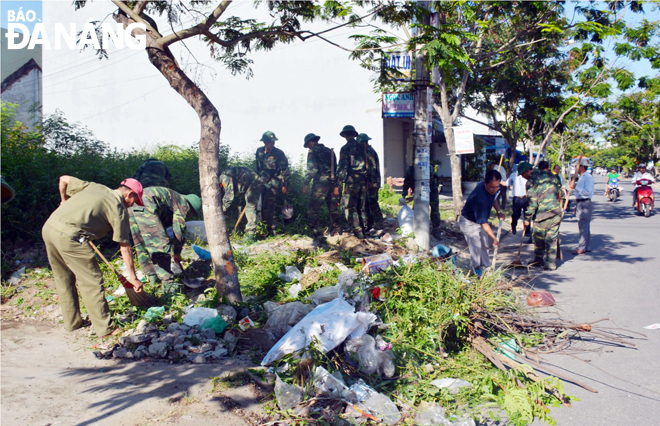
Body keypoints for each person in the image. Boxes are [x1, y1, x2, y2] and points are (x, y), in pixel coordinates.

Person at [42, 176, 144, 337]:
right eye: (135, 201)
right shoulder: (118, 208)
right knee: (92, 280)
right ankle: (105, 329)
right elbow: (125, 247)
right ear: (129, 194)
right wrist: (133, 278)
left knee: (63, 278)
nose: (133, 205)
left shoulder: (96, 187)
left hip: (49, 227)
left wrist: (64, 200)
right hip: (70, 237)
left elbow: (63, 179)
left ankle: (72, 323)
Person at [130, 187, 202, 291]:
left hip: (134, 203)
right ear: (191, 207)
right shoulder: (183, 204)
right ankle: (168, 284)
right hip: (146, 204)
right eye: (192, 213)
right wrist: (177, 251)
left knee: (141, 243)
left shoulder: (174, 197)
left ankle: (152, 277)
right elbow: (178, 230)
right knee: (160, 243)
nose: (189, 215)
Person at [459, 170, 506, 273]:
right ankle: (475, 273)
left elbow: (494, 198)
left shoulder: (494, 188)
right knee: (476, 247)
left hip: (479, 220)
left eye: (497, 186)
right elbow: (483, 223)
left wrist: (498, 211)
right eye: (491, 187)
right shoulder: (480, 198)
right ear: (485, 183)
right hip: (469, 222)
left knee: (485, 244)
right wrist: (494, 238)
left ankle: (485, 268)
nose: (494, 189)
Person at [523, 161, 563, 270]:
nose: (523, 177)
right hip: (556, 213)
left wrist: (527, 218)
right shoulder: (555, 177)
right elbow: (561, 194)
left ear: (528, 171)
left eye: (523, 174)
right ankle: (550, 263)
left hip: (542, 215)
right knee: (552, 239)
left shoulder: (532, 181)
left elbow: (532, 202)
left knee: (539, 239)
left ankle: (538, 260)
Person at [302, 133, 341, 236]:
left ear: (311, 143)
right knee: (333, 206)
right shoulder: (329, 151)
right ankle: (337, 229)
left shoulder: (313, 151)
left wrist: (306, 183)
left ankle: (314, 230)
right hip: (332, 181)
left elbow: (312, 169)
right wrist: (336, 184)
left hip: (320, 181)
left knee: (313, 206)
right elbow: (335, 168)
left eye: (308, 145)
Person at [335, 125, 368, 238]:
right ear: (354, 134)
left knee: (349, 206)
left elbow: (343, 167)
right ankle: (364, 230)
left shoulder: (345, 148)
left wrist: (338, 183)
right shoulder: (362, 147)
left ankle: (358, 233)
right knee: (361, 206)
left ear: (344, 135)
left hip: (352, 181)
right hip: (363, 180)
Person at [255, 131, 290, 235]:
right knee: (260, 206)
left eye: (273, 142)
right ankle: (264, 227)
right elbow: (258, 167)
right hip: (261, 182)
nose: (272, 144)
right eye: (270, 142)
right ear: (265, 142)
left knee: (268, 205)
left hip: (274, 183)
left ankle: (271, 229)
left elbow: (285, 170)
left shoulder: (279, 153)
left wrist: (285, 185)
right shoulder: (259, 151)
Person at [219, 166, 264, 242]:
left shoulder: (225, 177)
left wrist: (221, 211)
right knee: (240, 206)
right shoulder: (223, 178)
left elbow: (229, 197)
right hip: (245, 185)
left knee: (250, 206)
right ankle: (241, 230)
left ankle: (251, 235)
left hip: (254, 183)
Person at [358, 133, 385, 233]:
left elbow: (373, 168)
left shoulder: (370, 152)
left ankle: (378, 223)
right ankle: (369, 224)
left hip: (372, 183)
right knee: (367, 204)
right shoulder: (366, 152)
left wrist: (371, 181)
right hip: (370, 182)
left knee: (372, 203)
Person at [571, 159, 594, 255]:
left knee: (583, 225)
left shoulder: (587, 177)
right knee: (584, 225)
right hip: (580, 202)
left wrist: (575, 187)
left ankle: (582, 247)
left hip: (585, 203)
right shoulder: (581, 177)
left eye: (577, 166)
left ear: (582, 167)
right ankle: (586, 246)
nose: (576, 168)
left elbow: (587, 192)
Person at [507, 161, 533, 236]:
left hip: (526, 197)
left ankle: (527, 231)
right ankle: (513, 226)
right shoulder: (513, 175)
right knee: (516, 214)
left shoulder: (528, 176)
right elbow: (507, 183)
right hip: (517, 198)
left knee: (527, 214)